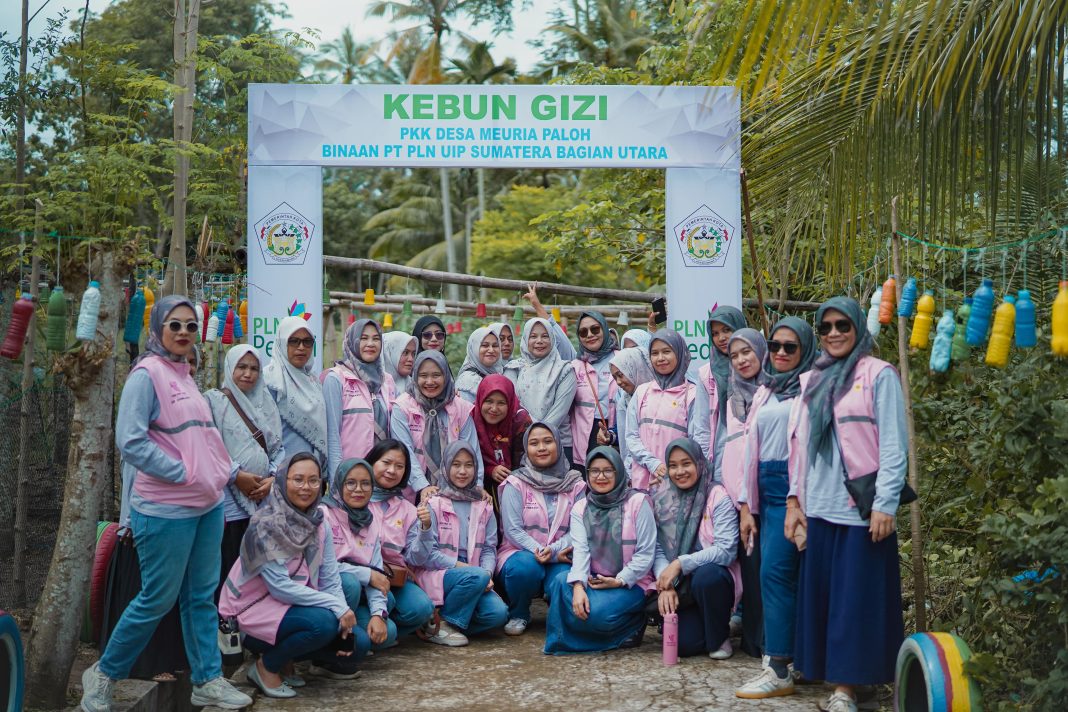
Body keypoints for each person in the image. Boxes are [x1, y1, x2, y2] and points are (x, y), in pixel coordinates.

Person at [81, 296, 252, 712]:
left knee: (199, 596)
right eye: (175, 325)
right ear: (158, 328)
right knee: (157, 597)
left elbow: (205, 438)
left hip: (206, 506)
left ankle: (207, 680)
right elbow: (131, 440)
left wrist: (219, 475)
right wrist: (183, 473)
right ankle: (104, 674)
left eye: (191, 327)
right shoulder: (147, 375)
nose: (183, 333)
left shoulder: (184, 375)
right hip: (165, 510)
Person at [784, 297, 907, 712]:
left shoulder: (878, 374)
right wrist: (795, 501)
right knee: (828, 598)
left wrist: (886, 503)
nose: (834, 334)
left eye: (842, 325)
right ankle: (845, 680)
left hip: (861, 506)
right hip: (819, 506)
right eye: (826, 327)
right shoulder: (813, 378)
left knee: (856, 601)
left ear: (857, 328)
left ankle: (847, 690)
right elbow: (799, 446)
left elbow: (893, 444)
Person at [218, 453, 365, 698]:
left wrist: (343, 617)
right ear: (283, 481)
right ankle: (267, 666)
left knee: (358, 643)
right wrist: (337, 609)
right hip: (247, 613)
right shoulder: (265, 524)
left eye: (313, 480)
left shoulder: (318, 521)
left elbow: (329, 577)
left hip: (285, 608)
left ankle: (286, 659)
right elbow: (280, 588)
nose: (306, 488)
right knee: (323, 624)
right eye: (297, 479)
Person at [735, 317, 816, 698]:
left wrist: (795, 497)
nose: (781, 353)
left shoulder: (812, 387)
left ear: (806, 350)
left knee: (780, 576)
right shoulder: (766, 389)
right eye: (776, 345)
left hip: (795, 491)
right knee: (775, 577)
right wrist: (745, 505)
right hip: (764, 492)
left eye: (791, 347)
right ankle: (791, 661)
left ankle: (780, 665)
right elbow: (751, 450)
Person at [543, 447, 655, 654]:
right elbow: (581, 550)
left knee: (597, 616)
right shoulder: (582, 508)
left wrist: (619, 580)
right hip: (595, 579)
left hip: (632, 583)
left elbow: (646, 554)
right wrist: (578, 585)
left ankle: (634, 622)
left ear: (619, 472)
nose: (600, 477)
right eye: (594, 471)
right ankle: (584, 629)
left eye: (608, 471)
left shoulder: (638, 503)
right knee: (559, 583)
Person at [205, 344, 285, 602]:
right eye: (241, 367)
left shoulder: (266, 403)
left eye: (254, 368)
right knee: (227, 563)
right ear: (230, 368)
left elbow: (279, 449)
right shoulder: (214, 402)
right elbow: (208, 445)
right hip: (228, 504)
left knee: (254, 568)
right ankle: (224, 624)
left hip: (263, 500)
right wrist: (235, 475)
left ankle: (249, 622)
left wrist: (273, 477)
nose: (248, 374)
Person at [410, 442, 509, 646]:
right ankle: (443, 625)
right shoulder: (433, 503)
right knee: (475, 576)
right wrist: (470, 570)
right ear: (445, 467)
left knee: (498, 615)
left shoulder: (484, 505)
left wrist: (487, 574)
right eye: (456, 465)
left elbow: (489, 548)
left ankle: (437, 623)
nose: (462, 471)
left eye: (469, 465)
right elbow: (428, 556)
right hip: (441, 572)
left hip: (475, 575)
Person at [653, 438, 741, 659]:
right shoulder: (663, 498)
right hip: (682, 586)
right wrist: (667, 584)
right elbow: (659, 549)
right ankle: (710, 627)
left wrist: (680, 564)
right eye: (673, 465)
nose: (679, 471)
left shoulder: (717, 496)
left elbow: (726, 550)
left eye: (686, 463)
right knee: (683, 646)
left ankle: (719, 637)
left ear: (700, 464)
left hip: (712, 581)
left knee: (708, 575)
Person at [495, 423, 586, 636]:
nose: (542, 448)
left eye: (548, 441)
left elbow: (579, 529)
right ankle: (519, 613)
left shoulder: (575, 483)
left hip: (562, 554)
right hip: (521, 553)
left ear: (558, 444)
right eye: (534, 443)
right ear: (527, 449)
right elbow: (512, 530)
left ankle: (557, 615)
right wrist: (541, 551)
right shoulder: (516, 482)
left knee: (564, 578)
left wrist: (552, 551)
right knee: (525, 568)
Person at [721, 327, 770, 659]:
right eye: (734, 355)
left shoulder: (776, 391)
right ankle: (755, 642)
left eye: (746, 352)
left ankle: (777, 642)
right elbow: (731, 448)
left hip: (773, 493)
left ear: (761, 352)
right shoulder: (731, 397)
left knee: (773, 571)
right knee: (751, 569)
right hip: (740, 498)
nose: (740, 360)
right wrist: (737, 498)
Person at [322, 458, 397, 652]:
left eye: (365, 483)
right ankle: (328, 650)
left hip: (359, 596)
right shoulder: (325, 515)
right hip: (327, 596)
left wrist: (378, 615)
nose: (358, 489)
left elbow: (377, 574)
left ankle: (354, 635)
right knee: (349, 582)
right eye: (350, 483)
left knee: (389, 631)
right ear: (339, 484)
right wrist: (366, 575)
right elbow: (323, 567)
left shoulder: (369, 520)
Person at [365, 439, 436, 637]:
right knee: (386, 601)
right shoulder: (356, 499)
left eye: (399, 466)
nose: (392, 471)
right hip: (362, 576)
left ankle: (387, 630)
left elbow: (416, 558)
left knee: (422, 608)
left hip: (394, 579)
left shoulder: (408, 510)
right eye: (386, 463)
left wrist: (425, 528)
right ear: (371, 463)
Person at [625, 329, 709, 492]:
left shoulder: (692, 395)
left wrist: (674, 469)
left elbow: (696, 441)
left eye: (666, 351)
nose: (660, 358)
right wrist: (653, 464)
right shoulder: (642, 391)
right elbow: (631, 436)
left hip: (677, 482)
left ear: (679, 353)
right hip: (641, 481)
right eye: (655, 353)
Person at [391, 351, 483, 498]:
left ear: (446, 376)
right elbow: (404, 451)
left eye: (436, 375)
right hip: (411, 492)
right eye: (423, 376)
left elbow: (471, 450)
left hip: (455, 491)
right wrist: (422, 486)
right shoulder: (402, 407)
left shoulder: (460, 407)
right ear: (415, 376)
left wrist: (477, 485)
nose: (429, 381)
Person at [322, 319, 396, 478]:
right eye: (363, 338)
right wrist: (337, 480)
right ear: (352, 341)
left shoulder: (387, 381)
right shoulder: (336, 378)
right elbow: (332, 435)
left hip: (383, 476)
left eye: (376, 339)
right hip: (350, 476)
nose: (371, 343)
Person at [506, 317, 578, 464]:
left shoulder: (565, 370)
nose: (539, 341)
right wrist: (530, 441)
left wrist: (536, 438)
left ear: (552, 339)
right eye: (533, 336)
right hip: (522, 446)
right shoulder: (514, 369)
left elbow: (558, 412)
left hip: (558, 445)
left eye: (545, 336)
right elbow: (514, 406)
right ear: (526, 339)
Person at [263, 315, 328, 469]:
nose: (301, 347)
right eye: (293, 341)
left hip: (312, 474)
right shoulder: (270, 380)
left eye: (307, 342)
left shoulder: (314, 382)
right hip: (280, 473)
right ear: (281, 343)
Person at [697, 306, 748, 471]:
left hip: (756, 452)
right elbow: (702, 426)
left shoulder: (759, 364)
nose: (721, 338)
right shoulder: (706, 373)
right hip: (722, 455)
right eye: (715, 333)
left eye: (727, 329)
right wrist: (704, 466)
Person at [472, 375, 532, 513]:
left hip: (519, 486)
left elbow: (527, 462)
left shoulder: (520, 421)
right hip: (480, 486)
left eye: (501, 403)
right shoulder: (470, 419)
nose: (494, 408)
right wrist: (489, 469)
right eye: (488, 401)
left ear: (510, 403)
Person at [570, 311, 618, 474]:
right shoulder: (575, 366)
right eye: (583, 332)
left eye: (595, 329)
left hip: (617, 431)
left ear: (604, 329)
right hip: (585, 436)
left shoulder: (622, 359)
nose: (590, 335)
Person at [609, 347, 656, 471]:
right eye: (615, 378)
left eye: (621, 375)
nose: (618, 382)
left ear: (636, 369)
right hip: (635, 469)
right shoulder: (624, 400)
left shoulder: (658, 396)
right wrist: (610, 436)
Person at [455, 326, 502, 402]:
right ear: (474, 348)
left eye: (495, 346)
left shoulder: (498, 374)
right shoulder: (468, 381)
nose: (491, 350)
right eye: (485, 345)